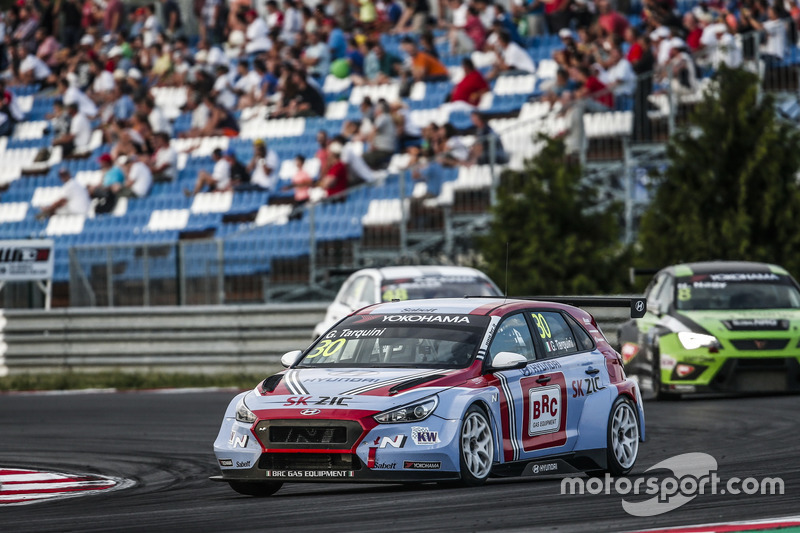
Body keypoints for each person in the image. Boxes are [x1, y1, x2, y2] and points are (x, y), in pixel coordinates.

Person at [363, 99, 396, 169]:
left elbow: (374, 130)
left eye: (376, 109)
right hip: (385, 149)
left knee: (363, 158)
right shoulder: (387, 117)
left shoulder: (383, 117)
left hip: (384, 149)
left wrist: (371, 144)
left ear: (380, 110)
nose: (374, 111)